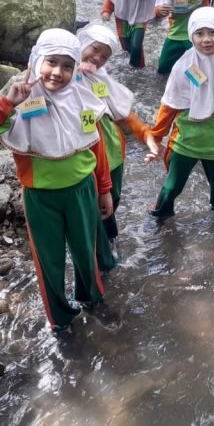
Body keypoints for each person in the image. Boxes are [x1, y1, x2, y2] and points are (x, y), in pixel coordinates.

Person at [0, 29, 113, 332]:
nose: (57, 72)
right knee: (49, 261)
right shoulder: (19, 103)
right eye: (51, 62)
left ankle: (93, 300)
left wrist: (105, 189)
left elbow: (96, 146)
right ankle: (60, 319)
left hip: (83, 190)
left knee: (87, 252)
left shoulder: (82, 99)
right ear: (36, 61)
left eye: (67, 66)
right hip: (41, 197)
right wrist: (7, 105)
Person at [148, 7, 214, 219]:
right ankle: (159, 218)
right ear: (191, 35)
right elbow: (170, 105)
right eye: (199, 34)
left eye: (213, 33)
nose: (206, 40)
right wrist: (156, 137)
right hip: (187, 140)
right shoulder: (184, 65)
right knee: (171, 186)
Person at [75, 25, 159, 268]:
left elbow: (121, 113)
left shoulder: (100, 78)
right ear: (82, 44)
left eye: (105, 56)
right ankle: (100, 257)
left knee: (113, 197)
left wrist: (145, 135)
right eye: (95, 50)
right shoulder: (62, 78)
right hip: (84, 153)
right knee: (92, 204)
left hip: (112, 149)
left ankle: (110, 238)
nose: (98, 59)